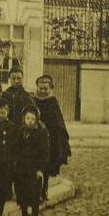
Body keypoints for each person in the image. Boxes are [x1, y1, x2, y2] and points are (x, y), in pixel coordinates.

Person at [13, 104, 49, 216]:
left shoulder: (41, 133)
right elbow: (15, 149)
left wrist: (40, 169)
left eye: (33, 119)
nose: (30, 121)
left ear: (37, 120)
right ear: (24, 118)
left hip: (34, 170)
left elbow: (45, 153)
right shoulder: (20, 132)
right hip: (21, 169)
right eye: (28, 118)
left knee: (34, 196)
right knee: (21, 194)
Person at [34, 74, 71, 203]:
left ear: (51, 89)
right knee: (36, 166)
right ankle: (37, 192)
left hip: (50, 139)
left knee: (46, 167)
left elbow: (58, 121)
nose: (43, 91)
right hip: (36, 137)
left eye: (45, 89)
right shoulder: (34, 101)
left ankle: (43, 190)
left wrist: (59, 137)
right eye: (41, 88)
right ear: (37, 87)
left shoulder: (53, 102)